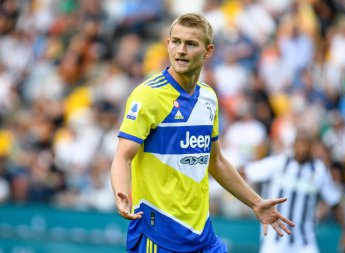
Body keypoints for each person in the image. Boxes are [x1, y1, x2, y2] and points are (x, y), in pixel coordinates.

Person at [110, 13, 295, 253]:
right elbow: (123, 156)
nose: (181, 50)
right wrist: (121, 192)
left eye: (191, 44)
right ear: (167, 44)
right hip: (158, 235)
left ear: (208, 51)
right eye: (175, 41)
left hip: (202, 235)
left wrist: (256, 203)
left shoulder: (208, 97)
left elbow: (216, 161)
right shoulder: (147, 95)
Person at [242, 130, 345, 253]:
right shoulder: (279, 163)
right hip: (275, 241)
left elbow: (335, 202)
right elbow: (246, 172)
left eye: (307, 143)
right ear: (294, 145)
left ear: (312, 147)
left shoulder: (319, 170)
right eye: (300, 143)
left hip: (305, 242)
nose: (303, 148)